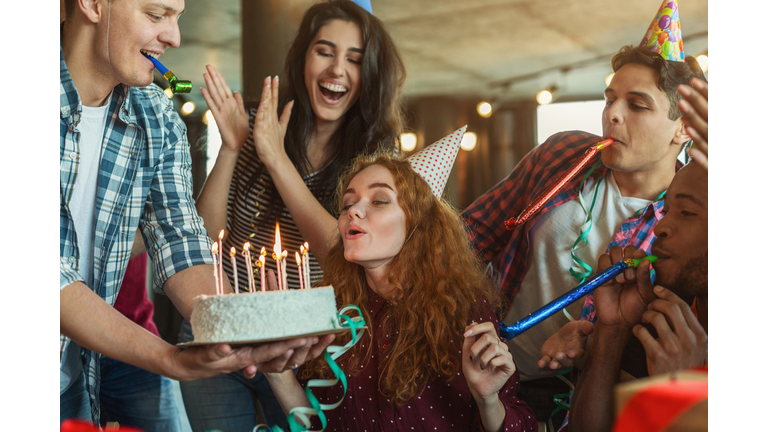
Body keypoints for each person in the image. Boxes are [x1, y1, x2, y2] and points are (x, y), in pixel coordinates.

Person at [60, 0, 331, 424]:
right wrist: (170, 359)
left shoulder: (157, 116)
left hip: (74, 376)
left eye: (178, 18)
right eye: (156, 15)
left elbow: (182, 241)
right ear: (94, 5)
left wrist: (242, 327)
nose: (175, 38)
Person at [178, 1, 406, 430]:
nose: (337, 68)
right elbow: (205, 239)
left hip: (302, 349)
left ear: (370, 74)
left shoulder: (374, 160)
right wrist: (232, 147)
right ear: (304, 56)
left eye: (354, 59)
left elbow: (341, 250)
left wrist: (275, 158)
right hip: (223, 332)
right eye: (325, 51)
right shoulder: (257, 122)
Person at [461, 43, 706, 422]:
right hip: (479, 361)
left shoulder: (689, 226)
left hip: (571, 400)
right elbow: (474, 232)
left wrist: (588, 340)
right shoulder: (565, 154)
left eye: (637, 105)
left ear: (684, 128)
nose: (612, 115)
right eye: (610, 99)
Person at [263, 153, 538, 431]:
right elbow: (316, 424)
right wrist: (276, 372)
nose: (353, 211)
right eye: (347, 203)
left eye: (379, 200)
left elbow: (522, 424)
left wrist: (487, 399)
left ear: (417, 223)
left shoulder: (464, 311)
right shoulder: (332, 311)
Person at [568, 161, 708, 432]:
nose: (660, 227)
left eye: (687, 212)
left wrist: (682, 393)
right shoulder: (666, 315)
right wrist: (613, 330)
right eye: (665, 210)